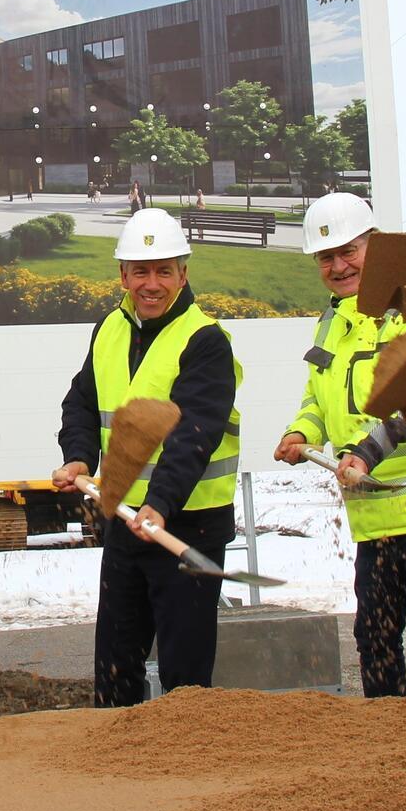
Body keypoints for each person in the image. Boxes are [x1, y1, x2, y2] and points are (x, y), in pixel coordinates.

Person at [273, 193, 406, 699]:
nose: (339, 265)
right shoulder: (333, 321)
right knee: (375, 640)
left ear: (377, 246)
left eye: (350, 250)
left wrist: (368, 451)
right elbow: (318, 396)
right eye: (326, 257)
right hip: (379, 515)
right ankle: (392, 753)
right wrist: (302, 431)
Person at [52, 208, 243, 706]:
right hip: (123, 522)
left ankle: (187, 767)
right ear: (123, 275)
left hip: (187, 523)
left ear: (184, 272)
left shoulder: (205, 340)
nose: (151, 284)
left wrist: (161, 502)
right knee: (115, 663)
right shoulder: (109, 330)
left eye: (163, 271)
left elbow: (195, 433)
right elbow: (82, 402)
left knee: (184, 671)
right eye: (140, 271)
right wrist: (78, 458)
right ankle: (117, 764)